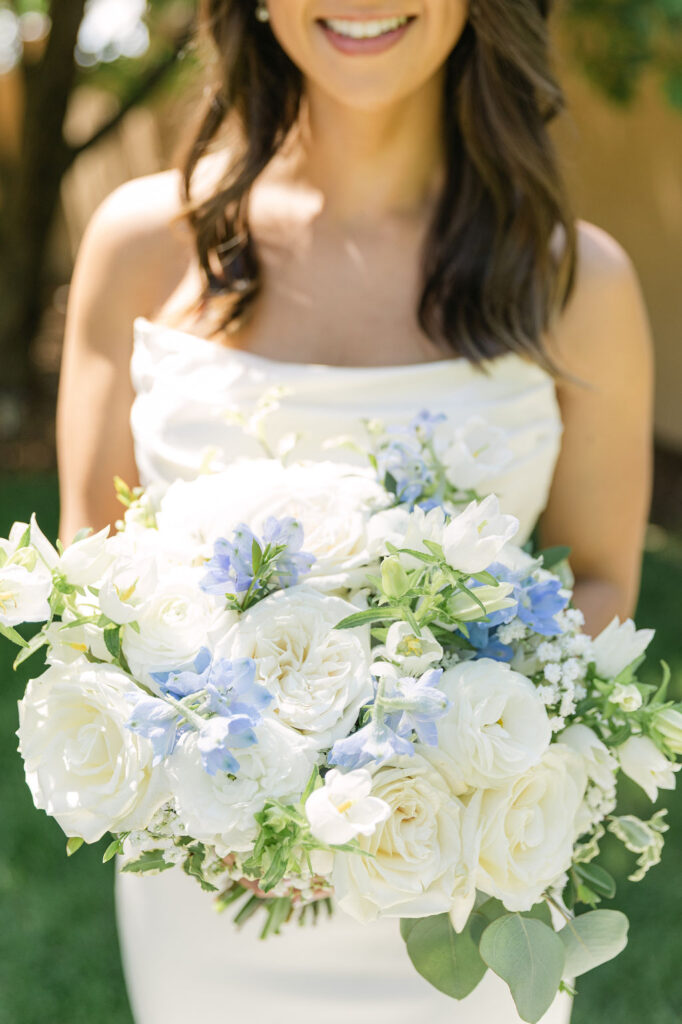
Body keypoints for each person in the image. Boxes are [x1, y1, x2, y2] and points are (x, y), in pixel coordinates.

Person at [56, 1, 654, 1021]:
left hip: (462, 883)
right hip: (214, 893)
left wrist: (459, 762)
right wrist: (246, 793)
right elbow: (88, 575)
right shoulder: (141, 245)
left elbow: (601, 578)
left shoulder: (573, 279)